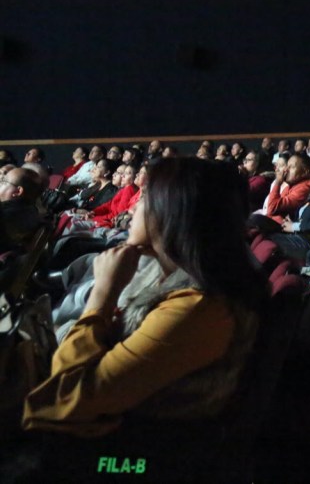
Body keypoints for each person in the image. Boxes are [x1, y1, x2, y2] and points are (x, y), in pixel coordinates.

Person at [22, 157, 267, 437]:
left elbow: (68, 398)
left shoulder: (199, 309)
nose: (135, 206)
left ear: (171, 214)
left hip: (121, 450)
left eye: (146, 198)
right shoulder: (172, 278)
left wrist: (104, 293)